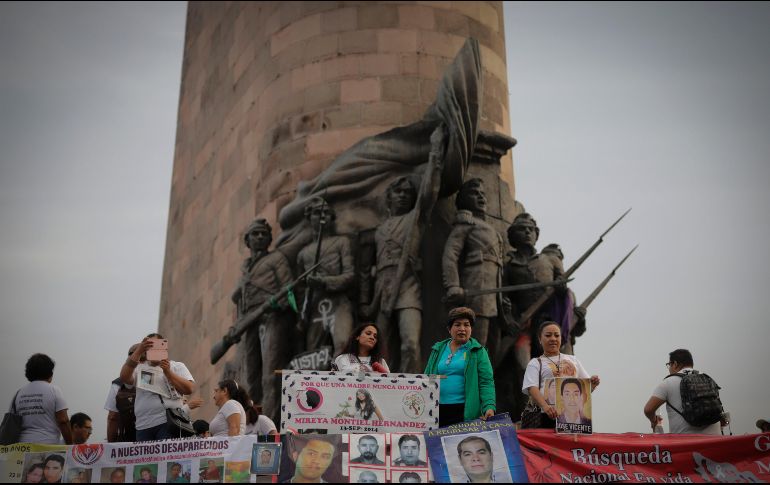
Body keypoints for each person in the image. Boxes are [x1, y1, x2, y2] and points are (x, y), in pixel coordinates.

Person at [231, 218, 294, 422]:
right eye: (255, 234)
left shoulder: (277, 259)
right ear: (247, 241)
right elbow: (239, 300)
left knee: (270, 375)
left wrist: (276, 303)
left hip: (272, 317)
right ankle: (253, 421)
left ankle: (270, 423)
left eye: (263, 234)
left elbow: (288, 289)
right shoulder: (245, 267)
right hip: (250, 321)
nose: (259, 237)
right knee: (251, 376)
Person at [443, 179, 506, 348]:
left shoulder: (488, 227)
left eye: (483, 194)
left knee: (494, 345)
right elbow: (451, 254)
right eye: (475, 193)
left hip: (495, 296)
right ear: (463, 199)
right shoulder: (466, 223)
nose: (481, 197)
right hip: (478, 291)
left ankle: (485, 375)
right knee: (477, 344)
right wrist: (453, 285)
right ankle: (471, 375)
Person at [296, 198, 356, 354]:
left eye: (326, 213)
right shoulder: (303, 254)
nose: (322, 216)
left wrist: (323, 282)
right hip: (315, 306)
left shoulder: (341, 242)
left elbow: (350, 275)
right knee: (313, 355)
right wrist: (301, 315)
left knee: (343, 345)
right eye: (317, 213)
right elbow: (301, 290)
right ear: (309, 218)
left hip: (339, 302)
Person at [424, 307, 496, 427]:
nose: (462, 329)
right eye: (457, 325)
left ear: (471, 329)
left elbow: (486, 382)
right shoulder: (438, 349)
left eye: (466, 325)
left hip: (465, 411)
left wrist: (489, 406)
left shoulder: (478, 351)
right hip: (437, 410)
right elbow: (426, 378)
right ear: (449, 329)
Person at [521, 321, 600, 429]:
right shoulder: (535, 363)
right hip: (545, 416)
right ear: (540, 339)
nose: (553, 338)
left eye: (556, 335)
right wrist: (546, 407)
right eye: (548, 335)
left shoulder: (573, 359)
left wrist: (593, 383)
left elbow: (585, 387)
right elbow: (532, 387)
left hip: (573, 420)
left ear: (561, 338)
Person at [119, 333, 196, 441]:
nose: (154, 350)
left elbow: (189, 389)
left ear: (164, 348)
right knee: (146, 458)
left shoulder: (177, 366)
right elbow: (124, 377)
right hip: (143, 425)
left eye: (157, 346)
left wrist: (168, 373)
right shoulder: (139, 368)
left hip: (168, 422)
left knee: (167, 458)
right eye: (150, 347)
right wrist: (138, 350)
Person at [643, 349, 721, 435]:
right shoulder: (708, 379)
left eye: (669, 365)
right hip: (715, 440)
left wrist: (654, 420)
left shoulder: (668, 382)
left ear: (675, 364)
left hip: (685, 442)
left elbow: (648, 409)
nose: (669, 369)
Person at [13, 354, 72, 444]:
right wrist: (70, 445)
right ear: (49, 372)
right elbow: (63, 421)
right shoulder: (54, 390)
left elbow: (12, 421)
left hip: (22, 447)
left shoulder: (19, 393)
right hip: (47, 446)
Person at [106, 345, 140, 442]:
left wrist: (111, 444)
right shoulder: (157, 380)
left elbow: (112, 417)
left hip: (126, 442)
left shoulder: (118, 384)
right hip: (153, 438)